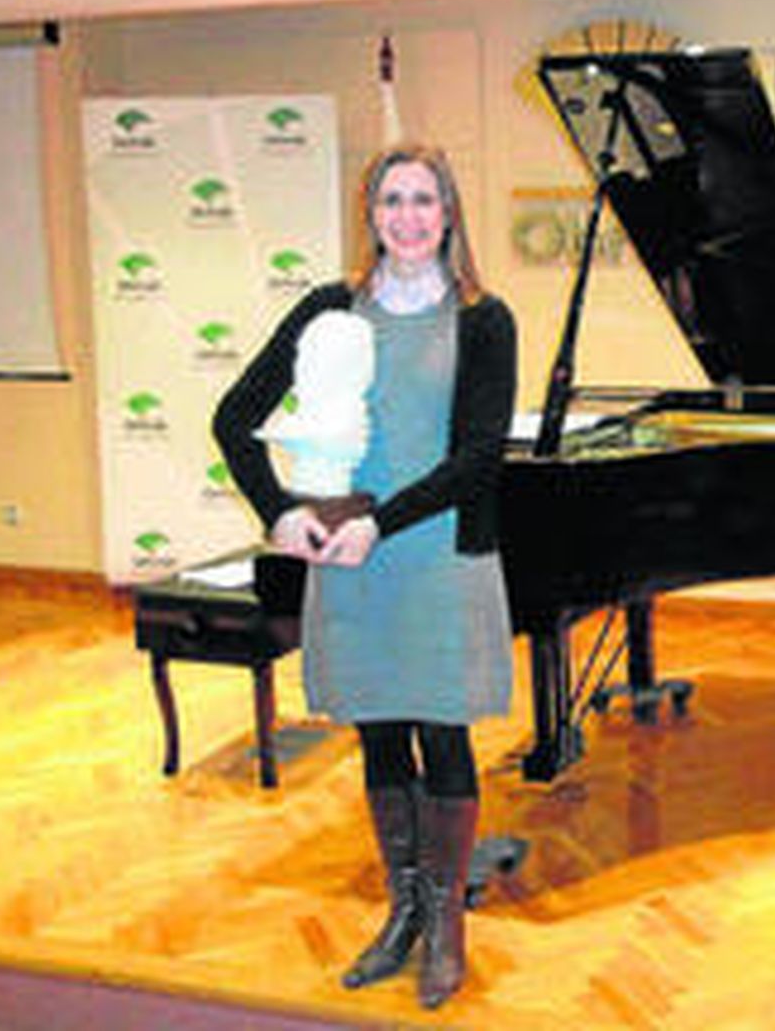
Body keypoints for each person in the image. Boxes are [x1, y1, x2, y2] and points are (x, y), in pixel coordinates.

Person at [213, 142, 517, 1010]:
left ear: (450, 212)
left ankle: (448, 929)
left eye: (425, 200)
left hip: (438, 559)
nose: (409, 217)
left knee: (445, 739)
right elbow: (234, 419)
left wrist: (380, 523)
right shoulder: (328, 309)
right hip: (347, 562)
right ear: (371, 213)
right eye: (393, 201)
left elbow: (480, 457)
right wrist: (280, 512)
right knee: (381, 737)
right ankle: (403, 914)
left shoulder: (483, 318)